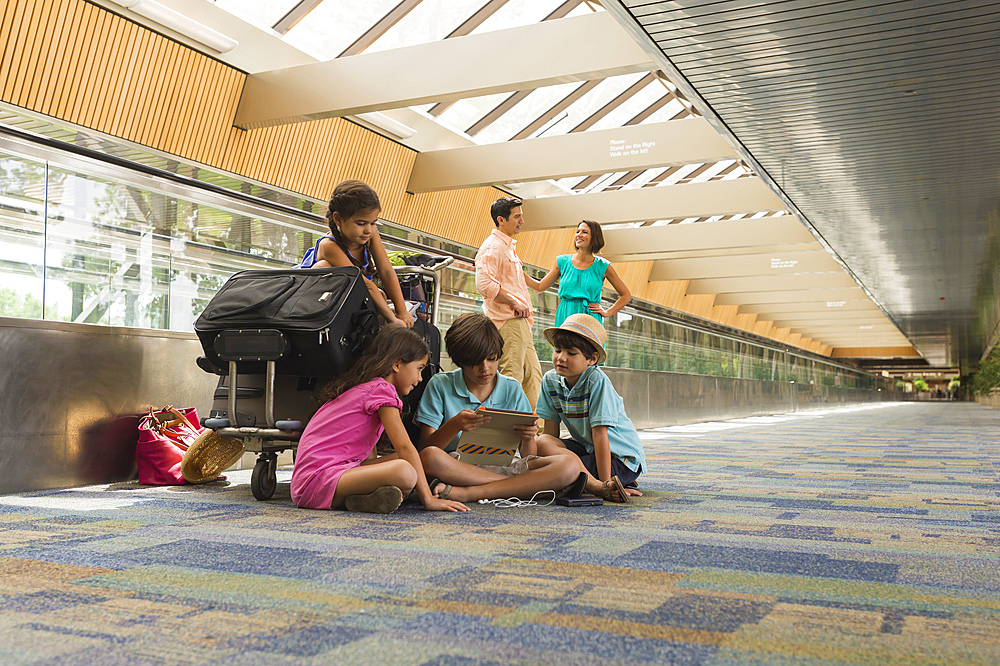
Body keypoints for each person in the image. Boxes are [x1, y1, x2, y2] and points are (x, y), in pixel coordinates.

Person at [290, 327, 467, 514]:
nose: (420, 378)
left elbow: (368, 457)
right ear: (397, 364)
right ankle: (365, 496)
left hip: (320, 479)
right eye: (419, 369)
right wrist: (428, 500)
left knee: (416, 463)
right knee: (405, 472)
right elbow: (405, 448)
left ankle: (359, 499)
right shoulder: (383, 390)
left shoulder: (369, 388)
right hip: (315, 481)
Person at [414, 313, 583, 503]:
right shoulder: (440, 384)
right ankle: (521, 487)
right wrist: (454, 425)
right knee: (429, 457)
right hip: (459, 468)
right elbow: (426, 448)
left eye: (492, 359)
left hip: (507, 465)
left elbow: (528, 456)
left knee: (570, 465)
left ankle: (472, 493)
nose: (485, 368)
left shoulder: (512, 388)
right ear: (459, 361)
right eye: (475, 362)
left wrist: (528, 438)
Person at [534, 314, 645, 503]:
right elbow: (551, 436)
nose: (561, 358)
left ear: (592, 359)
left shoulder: (596, 381)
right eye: (557, 350)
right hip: (588, 449)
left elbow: (600, 436)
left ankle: (601, 483)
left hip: (618, 457)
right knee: (542, 442)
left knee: (559, 475)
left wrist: (606, 483)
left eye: (571, 353)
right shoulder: (550, 380)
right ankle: (586, 480)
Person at [305, 179, 413, 328]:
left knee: (380, 295)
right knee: (322, 266)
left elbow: (386, 270)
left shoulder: (369, 234)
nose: (368, 229)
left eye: (373, 223)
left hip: (355, 296)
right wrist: (393, 319)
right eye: (361, 223)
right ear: (338, 219)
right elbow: (364, 285)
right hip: (320, 303)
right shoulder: (328, 246)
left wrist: (402, 311)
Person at [475, 197, 543, 410]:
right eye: (517, 216)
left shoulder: (507, 247)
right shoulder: (492, 247)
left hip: (521, 323)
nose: (522, 220)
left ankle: (533, 433)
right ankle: (505, 436)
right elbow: (484, 284)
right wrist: (515, 302)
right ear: (501, 219)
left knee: (533, 377)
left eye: (521, 214)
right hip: (508, 322)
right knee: (512, 377)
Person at [525, 219, 631, 327]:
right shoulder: (562, 262)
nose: (579, 235)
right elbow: (539, 287)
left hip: (590, 319)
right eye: (577, 232)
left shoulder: (603, 266)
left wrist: (607, 312)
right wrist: (516, 268)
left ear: (594, 237)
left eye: (584, 232)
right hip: (565, 316)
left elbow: (626, 295)